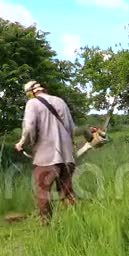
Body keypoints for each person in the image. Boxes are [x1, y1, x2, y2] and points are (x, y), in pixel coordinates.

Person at [15, 81, 76, 224]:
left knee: (44, 193)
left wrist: (22, 143)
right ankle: (75, 223)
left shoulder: (32, 103)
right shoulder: (60, 101)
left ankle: (47, 226)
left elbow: (29, 127)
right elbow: (72, 128)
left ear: (30, 92)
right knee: (67, 192)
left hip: (46, 157)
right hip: (67, 156)